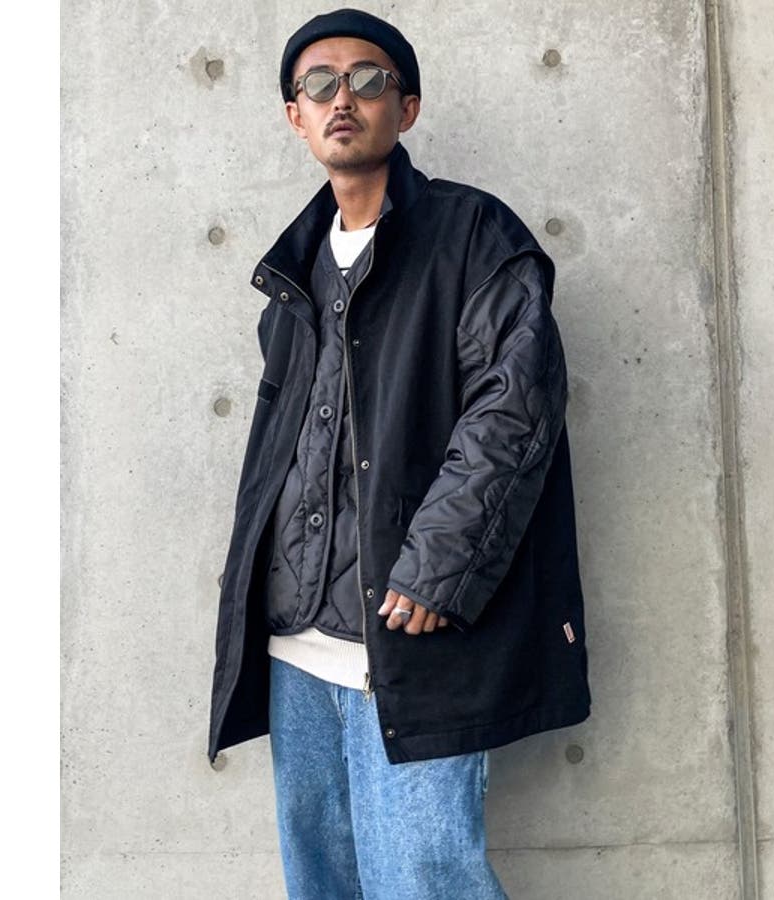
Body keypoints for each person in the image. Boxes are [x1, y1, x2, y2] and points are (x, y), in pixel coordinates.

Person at [208, 8, 592, 899]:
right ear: (296, 115)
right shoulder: (292, 276)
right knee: (324, 884)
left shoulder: (472, 235)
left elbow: (515, 408)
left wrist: (437, 569)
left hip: (411, 637)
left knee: (424, 882)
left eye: (369, 80)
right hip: (297, 646)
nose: (342, 98)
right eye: (319, 84)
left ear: (406, 108)